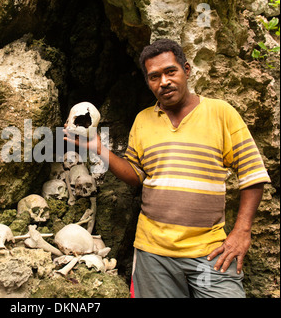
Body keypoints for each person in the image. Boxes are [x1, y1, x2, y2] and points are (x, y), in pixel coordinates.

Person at [64, 39, 271, 298]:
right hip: (153, 254)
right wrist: (97, 147)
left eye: (170, 71)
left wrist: (242, 231)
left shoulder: (221, 113)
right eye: (154, 77)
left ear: (186, 69)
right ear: (148, 82)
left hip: (212, 251)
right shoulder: (143, 120)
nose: (163, 82)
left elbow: (253, 173)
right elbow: (136, 175)